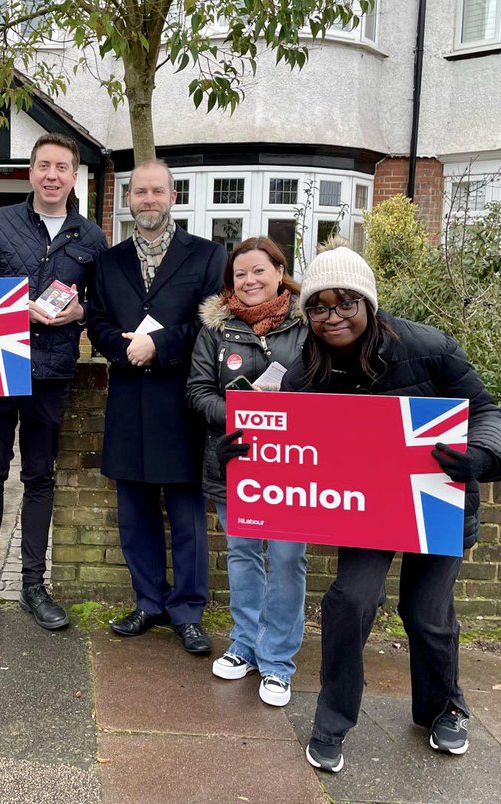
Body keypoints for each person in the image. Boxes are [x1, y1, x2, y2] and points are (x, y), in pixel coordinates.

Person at [265, 239, 501, 773]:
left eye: (345, 302)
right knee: (351, 602)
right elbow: (281, 439)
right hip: (369, 509)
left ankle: (444, 708)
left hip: (437, 500)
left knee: (427, 615)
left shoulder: (429, 347)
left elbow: (487, 410)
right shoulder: (305, 371)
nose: (333, 317)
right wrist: (245, 449)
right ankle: (331, 721)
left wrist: (483, 453)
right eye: (318, 306)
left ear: (368, 304)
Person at [0, 133, 108, 635]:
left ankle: (32, 584)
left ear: (74, 176)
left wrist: (81, 311)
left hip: (52, 370)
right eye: (43, 165)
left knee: (40, 477)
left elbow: (103, 305)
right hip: (0, 367)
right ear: (30, 173)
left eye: (61, 167)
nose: (52, 175)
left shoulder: (90, 238)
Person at [86, 160, 225, 655]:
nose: (148, 200)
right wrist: (120, 346)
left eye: (157, 191)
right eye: (139, 193)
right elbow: (97, 320)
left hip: (181, 399)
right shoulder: (108, 261)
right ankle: (148, 601)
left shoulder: (208, 256)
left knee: (186, 514)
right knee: (135, 511)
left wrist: (159, 345)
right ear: (129, 200)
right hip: (127, 398)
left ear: (172, 196)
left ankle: (187, 611)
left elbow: (212, 324)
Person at [186, 236, 309, 705]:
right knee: (241, 554)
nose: (250, 280)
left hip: (292, 464)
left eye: (259, 270)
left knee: (285, 560)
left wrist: (285, 413)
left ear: (280, 272)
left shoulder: (307, 325)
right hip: (233, 461)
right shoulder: (216, 330)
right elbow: (198, 391)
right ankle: (245, 645)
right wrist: (240, 415)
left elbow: (324, 389)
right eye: (240, 274)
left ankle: (277, 661)